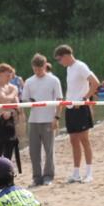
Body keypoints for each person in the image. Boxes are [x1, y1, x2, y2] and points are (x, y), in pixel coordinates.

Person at [54, 44, 100, 183]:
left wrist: (85, 98)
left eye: (59, 59)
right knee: (73, 140)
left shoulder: (80, 66)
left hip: (80, 108)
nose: (59, 62)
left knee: (84, 140)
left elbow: (95, 83)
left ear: (66, 56)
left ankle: (89, 173)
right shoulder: (69, 68)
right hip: (70, 107)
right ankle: (76, 173)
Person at [22, 53, 63, 186]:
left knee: (49, 150)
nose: (38, 72)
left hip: (48, 119)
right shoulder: (29, 81)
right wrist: (31, 101)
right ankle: (36, 177)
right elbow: (25, 99)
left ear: (45, 66)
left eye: (40, 69)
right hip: (33, 120)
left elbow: (59, 100)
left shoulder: (54, 80)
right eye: (35, 69)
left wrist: (56, 118)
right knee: (33, 151)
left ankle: (48, 176)